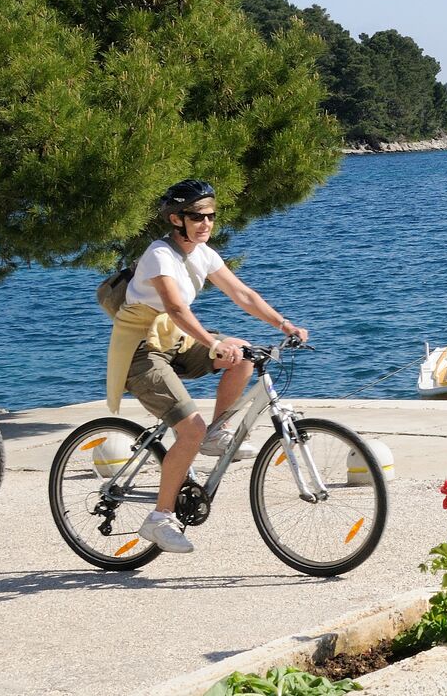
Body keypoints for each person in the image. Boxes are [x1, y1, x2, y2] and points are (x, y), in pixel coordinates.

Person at [104, 179, 307, 554]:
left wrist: (284, 325)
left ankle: (218, 431)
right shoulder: (159, 255)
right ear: (176, 219)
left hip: (175, 342)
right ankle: (159, 518)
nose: (206, 223)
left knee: (243, 353)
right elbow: (176, 309)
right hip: (141, 351)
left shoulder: (203, 253)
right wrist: (213, 344)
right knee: (190, 430)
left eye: (211, 216)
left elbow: (242, 294)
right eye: (198, 217)